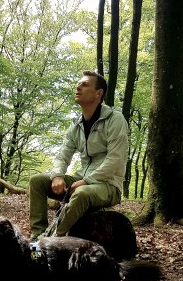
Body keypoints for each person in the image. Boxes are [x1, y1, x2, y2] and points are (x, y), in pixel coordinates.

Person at [29, 71, 129, 239]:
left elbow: (115, 160)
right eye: (78, 84)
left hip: (108, 185)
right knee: (37, 181)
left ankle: (49, 241)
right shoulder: (76, 125)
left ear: (99, 93)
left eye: (85, 85)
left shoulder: (115, 119)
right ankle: (36, 238)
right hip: (81, 180)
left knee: (81, 193)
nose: (78, 87)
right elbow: (63, 155)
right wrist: (57, 176)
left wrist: (86, 181)